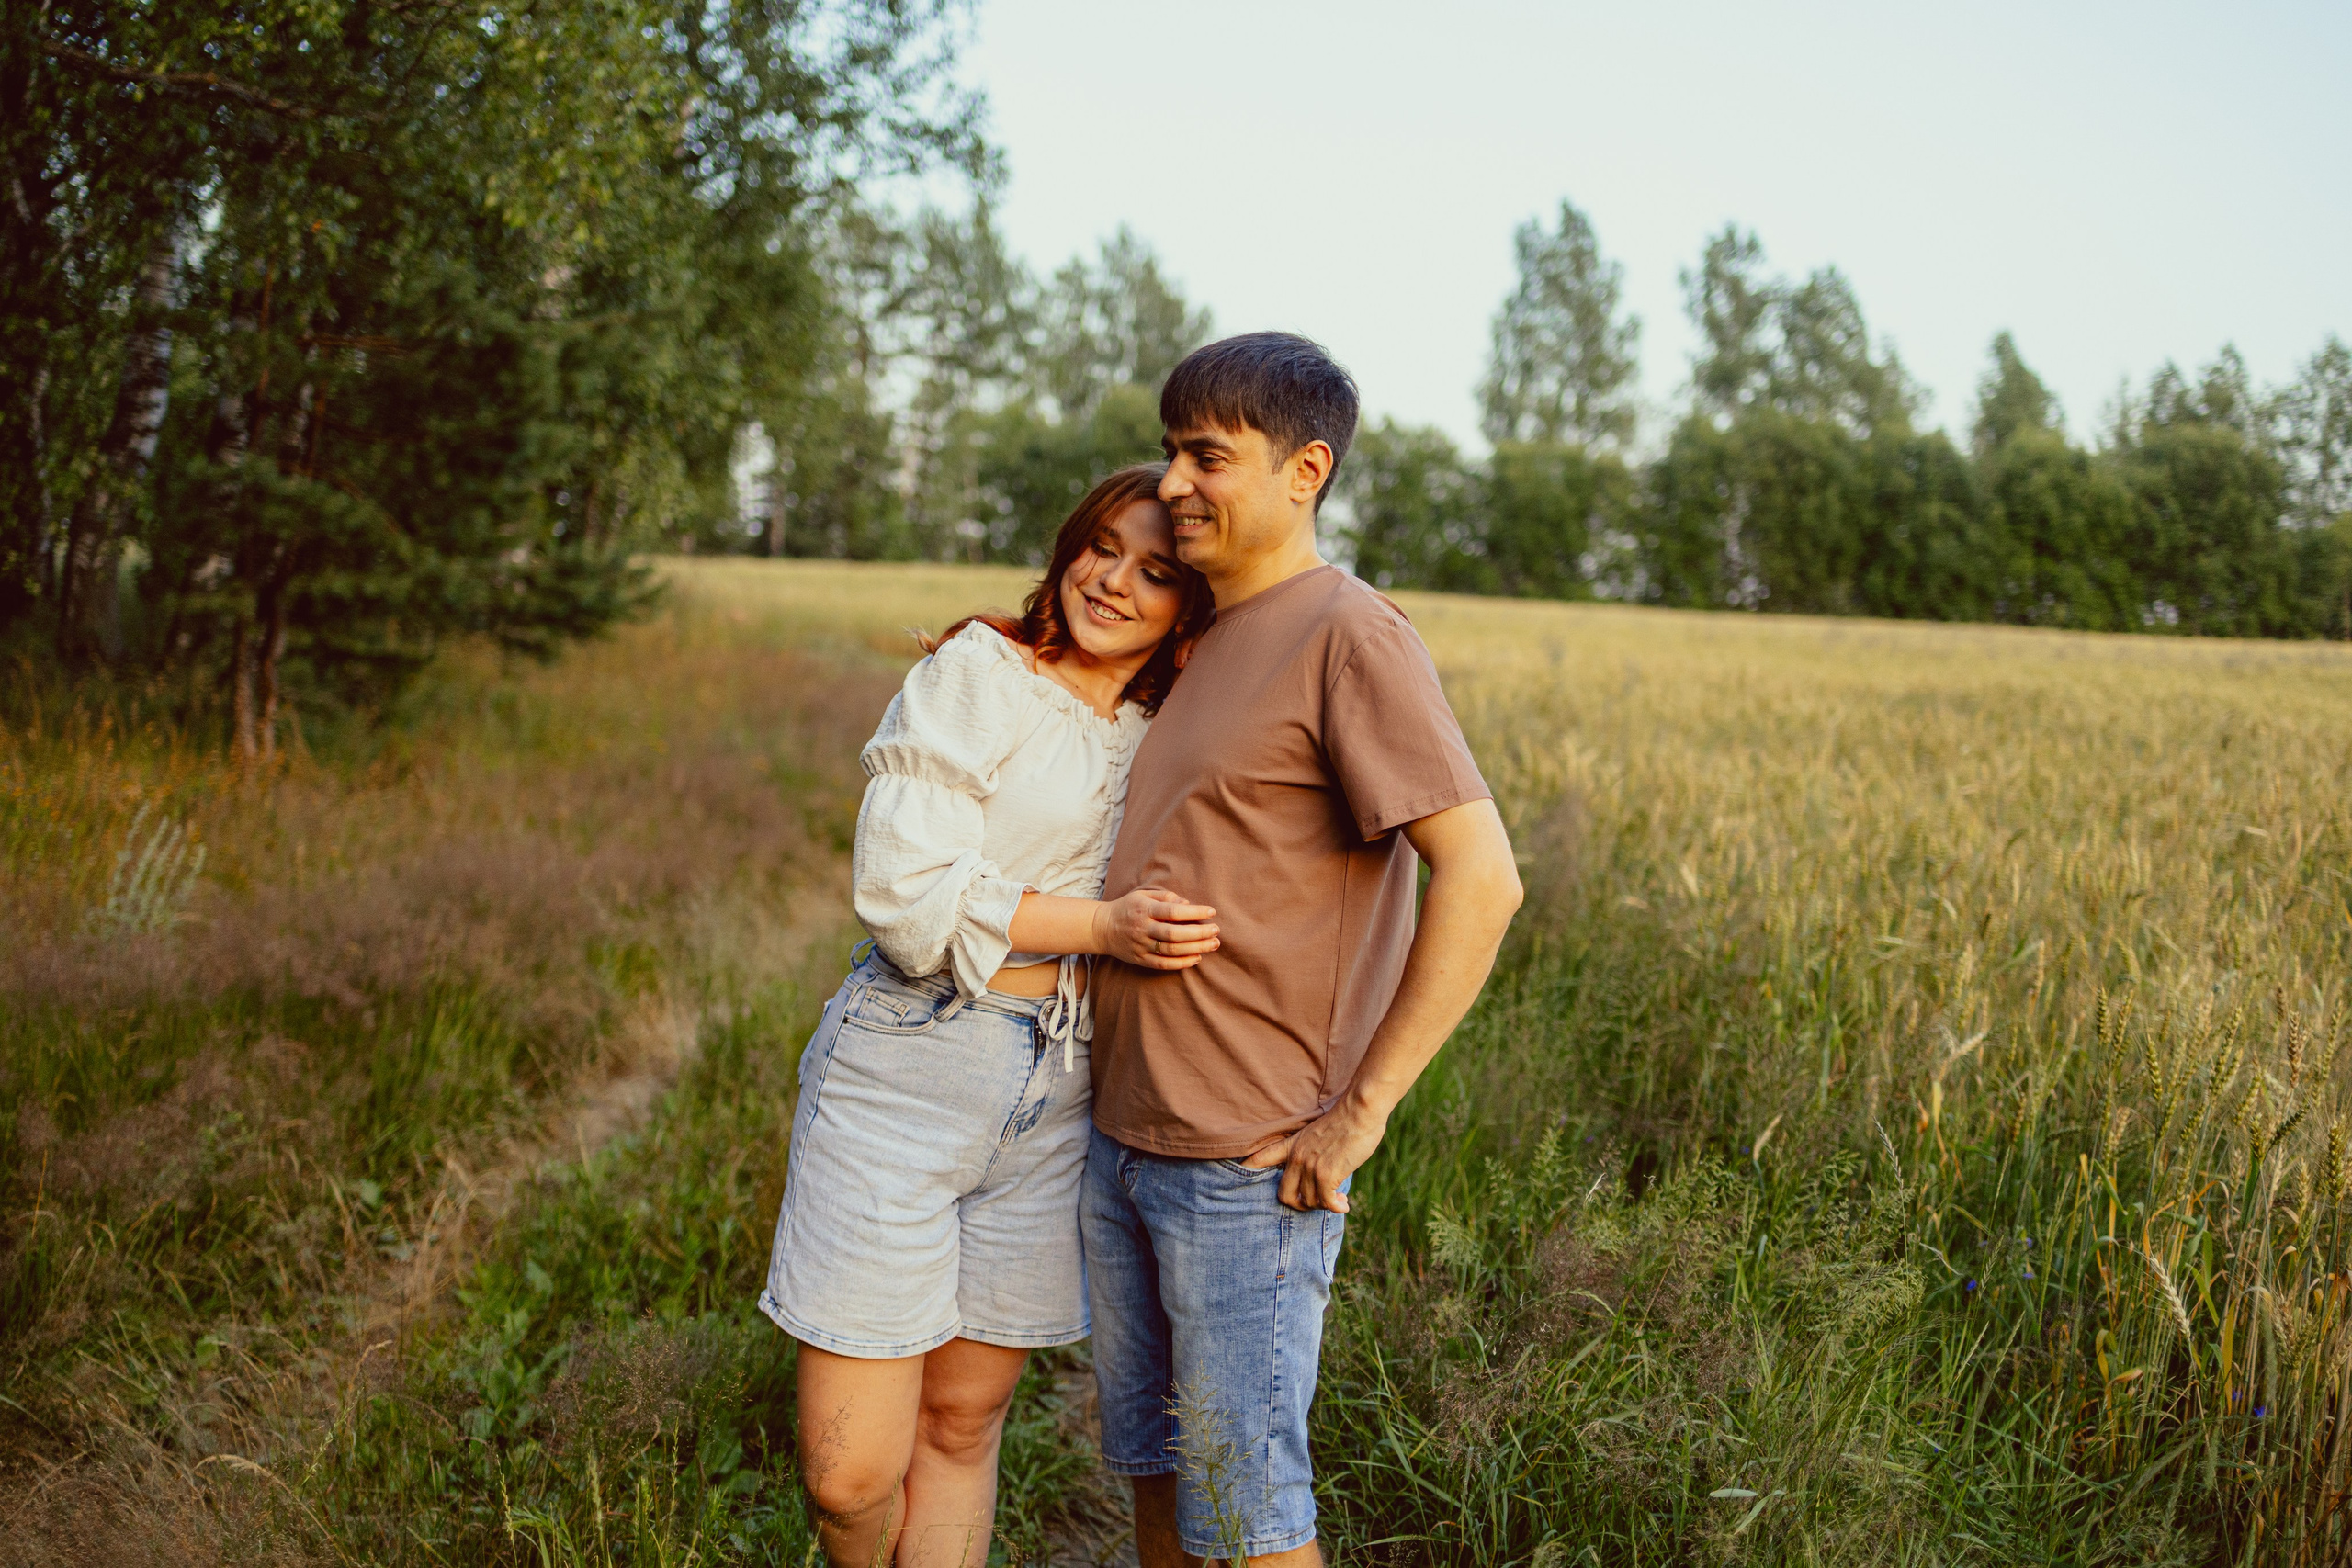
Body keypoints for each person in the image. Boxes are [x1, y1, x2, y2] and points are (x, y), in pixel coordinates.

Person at [1084, 333, 1526, 1566]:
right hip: (1121, 1139)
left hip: (1247, 1165)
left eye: (1206, 455)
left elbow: (1484, 878)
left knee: (1251, 1519)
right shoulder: (1206, 632)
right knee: (1157, 1482)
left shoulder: (1349, 633)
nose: (1173, 481)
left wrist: (1361, 1111)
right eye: (1170, 450)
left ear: (1305, 470)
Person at [759, 464, 1221, 1568]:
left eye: (1155, 571)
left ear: (1189, 608)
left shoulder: (1168, 727)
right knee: (849, 1477)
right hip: (911, 1065)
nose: (1111, 581)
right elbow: (904, 892)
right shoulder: (979, 674)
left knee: (962, 1422)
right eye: (1099, 547)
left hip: (1063, 1092)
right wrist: (1104, 928)